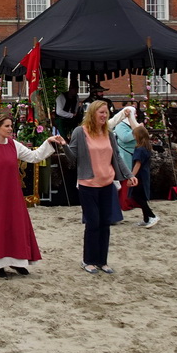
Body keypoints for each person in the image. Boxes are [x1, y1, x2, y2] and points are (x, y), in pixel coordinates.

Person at [0, 114, 64, 277]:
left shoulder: (14, 145)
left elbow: (34, 156)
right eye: (7, 126)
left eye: (11, 126)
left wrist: (49, 142)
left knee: (14, 227)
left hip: (12, 194)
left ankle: (16, 262)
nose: (10, 129)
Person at [63, 101, 137, 274]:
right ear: (93, 114)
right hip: (88, 185)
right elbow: (72, 157)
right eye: (101, 112)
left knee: (105, 223)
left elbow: (117, 158)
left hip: (107, 184)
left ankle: (102, 261)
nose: (104, 116)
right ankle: (88, 260)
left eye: (106, 113)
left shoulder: (108, 133)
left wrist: (130, 175)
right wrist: (63, 146)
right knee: (93, 222)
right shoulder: (80, 132)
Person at [130, 125, 159, 227]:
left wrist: (131, 176)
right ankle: (146, 219)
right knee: (141, 196)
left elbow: (138, 164)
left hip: (139, 176)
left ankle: (152, 216)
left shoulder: (139, 149)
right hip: (145, 175)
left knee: (138, 197)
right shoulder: (147, 148)